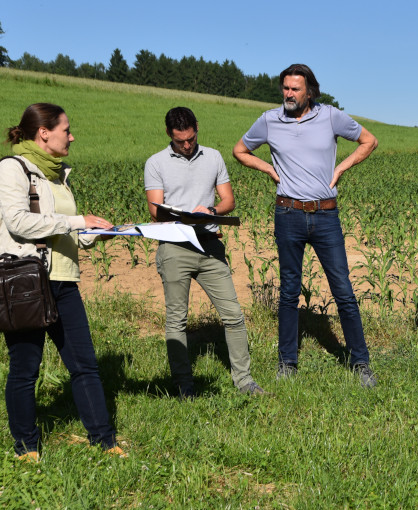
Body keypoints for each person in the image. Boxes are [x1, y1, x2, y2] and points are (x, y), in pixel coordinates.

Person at [233, 64, 378, 387]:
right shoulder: (270, 120)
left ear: (309, 91)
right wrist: (268, 169)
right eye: (285, 88)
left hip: (326, 216)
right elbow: (240, 151)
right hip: (288, 214)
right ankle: (287, 362)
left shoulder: (330, 116)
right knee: (288, 291)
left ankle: (361, 362)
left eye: (295, 89)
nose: (288, 94)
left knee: (343, 291)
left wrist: (341, 167)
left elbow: (369, 141)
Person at [0, 103, 125, 461]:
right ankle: (26, 447)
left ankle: (104, 441)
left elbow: (67, 233)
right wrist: (76, 222)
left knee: (85, 364)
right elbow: (19, 223)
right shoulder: (13, 169)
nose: (72, 136)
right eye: (66, 130)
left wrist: (99, 233)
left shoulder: (58, 175)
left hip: (64, 280)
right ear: (44, 133)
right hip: (26, 280)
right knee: (26, 368)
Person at [144, 106, 264, 397]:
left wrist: (209, 211)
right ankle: (184, 385)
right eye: (179, 141)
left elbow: (228, 201)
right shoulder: (156, 163)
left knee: (233, 315)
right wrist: (183, 216)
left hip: (210, 245)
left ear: (197, 127)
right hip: (174, 246)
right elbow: (155, 211)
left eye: (190, 138)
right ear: (168, 134)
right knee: (177, 320)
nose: (186, 145)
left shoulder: (212, 156)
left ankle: (244, 380)